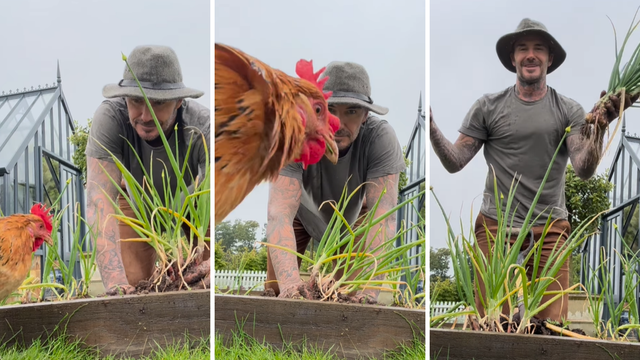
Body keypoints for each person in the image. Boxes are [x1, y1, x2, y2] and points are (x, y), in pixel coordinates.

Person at [430, 18, 637, 323]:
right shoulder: (488, 107)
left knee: (549, 326)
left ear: (549, 59)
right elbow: (455, 160)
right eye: (523, 48)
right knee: (491, 323)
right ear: (512, 58)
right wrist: (432, 130)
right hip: (496, 228)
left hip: (550, 229)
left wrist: (598, 130)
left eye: (538, 48)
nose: (530, 54)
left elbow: (583, 168)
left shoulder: (567, 109)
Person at [265, 61, 407, 302]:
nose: (338, 124)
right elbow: (279, 214)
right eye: (330, 109)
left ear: (365, 115)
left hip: (354, 221)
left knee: (348, 296)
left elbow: (382, 218)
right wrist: (290, 286)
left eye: (351, 111)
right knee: (276, 291)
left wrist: (368, 294)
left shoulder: (380, 139)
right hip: (300, 212)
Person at [85, 45, 211, 295]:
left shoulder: (202, 127)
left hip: (193, 206)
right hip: (135, 202)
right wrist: (115, 284)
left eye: (157, 103)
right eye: (136, 101)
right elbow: (99, 201)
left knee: (202, 284)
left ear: (178, 102)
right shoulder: (110, 118)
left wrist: (212, 262)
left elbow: (223, 197)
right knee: (133, 282)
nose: (145, 115)